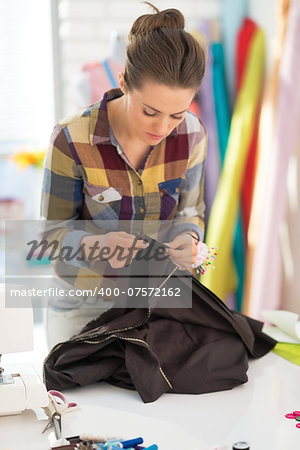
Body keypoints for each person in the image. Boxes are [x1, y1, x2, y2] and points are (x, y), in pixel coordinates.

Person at [40, 3, 207, 350]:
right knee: (77, 403)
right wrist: (92, 244)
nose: (162, 128)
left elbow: (190, 212)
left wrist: (189, 239)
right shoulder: (71, 139)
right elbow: (51, 235)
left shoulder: (192, 135)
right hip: (82, 304)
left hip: (156, 303)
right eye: (150, 111)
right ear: (123, 84)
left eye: (176, 114)